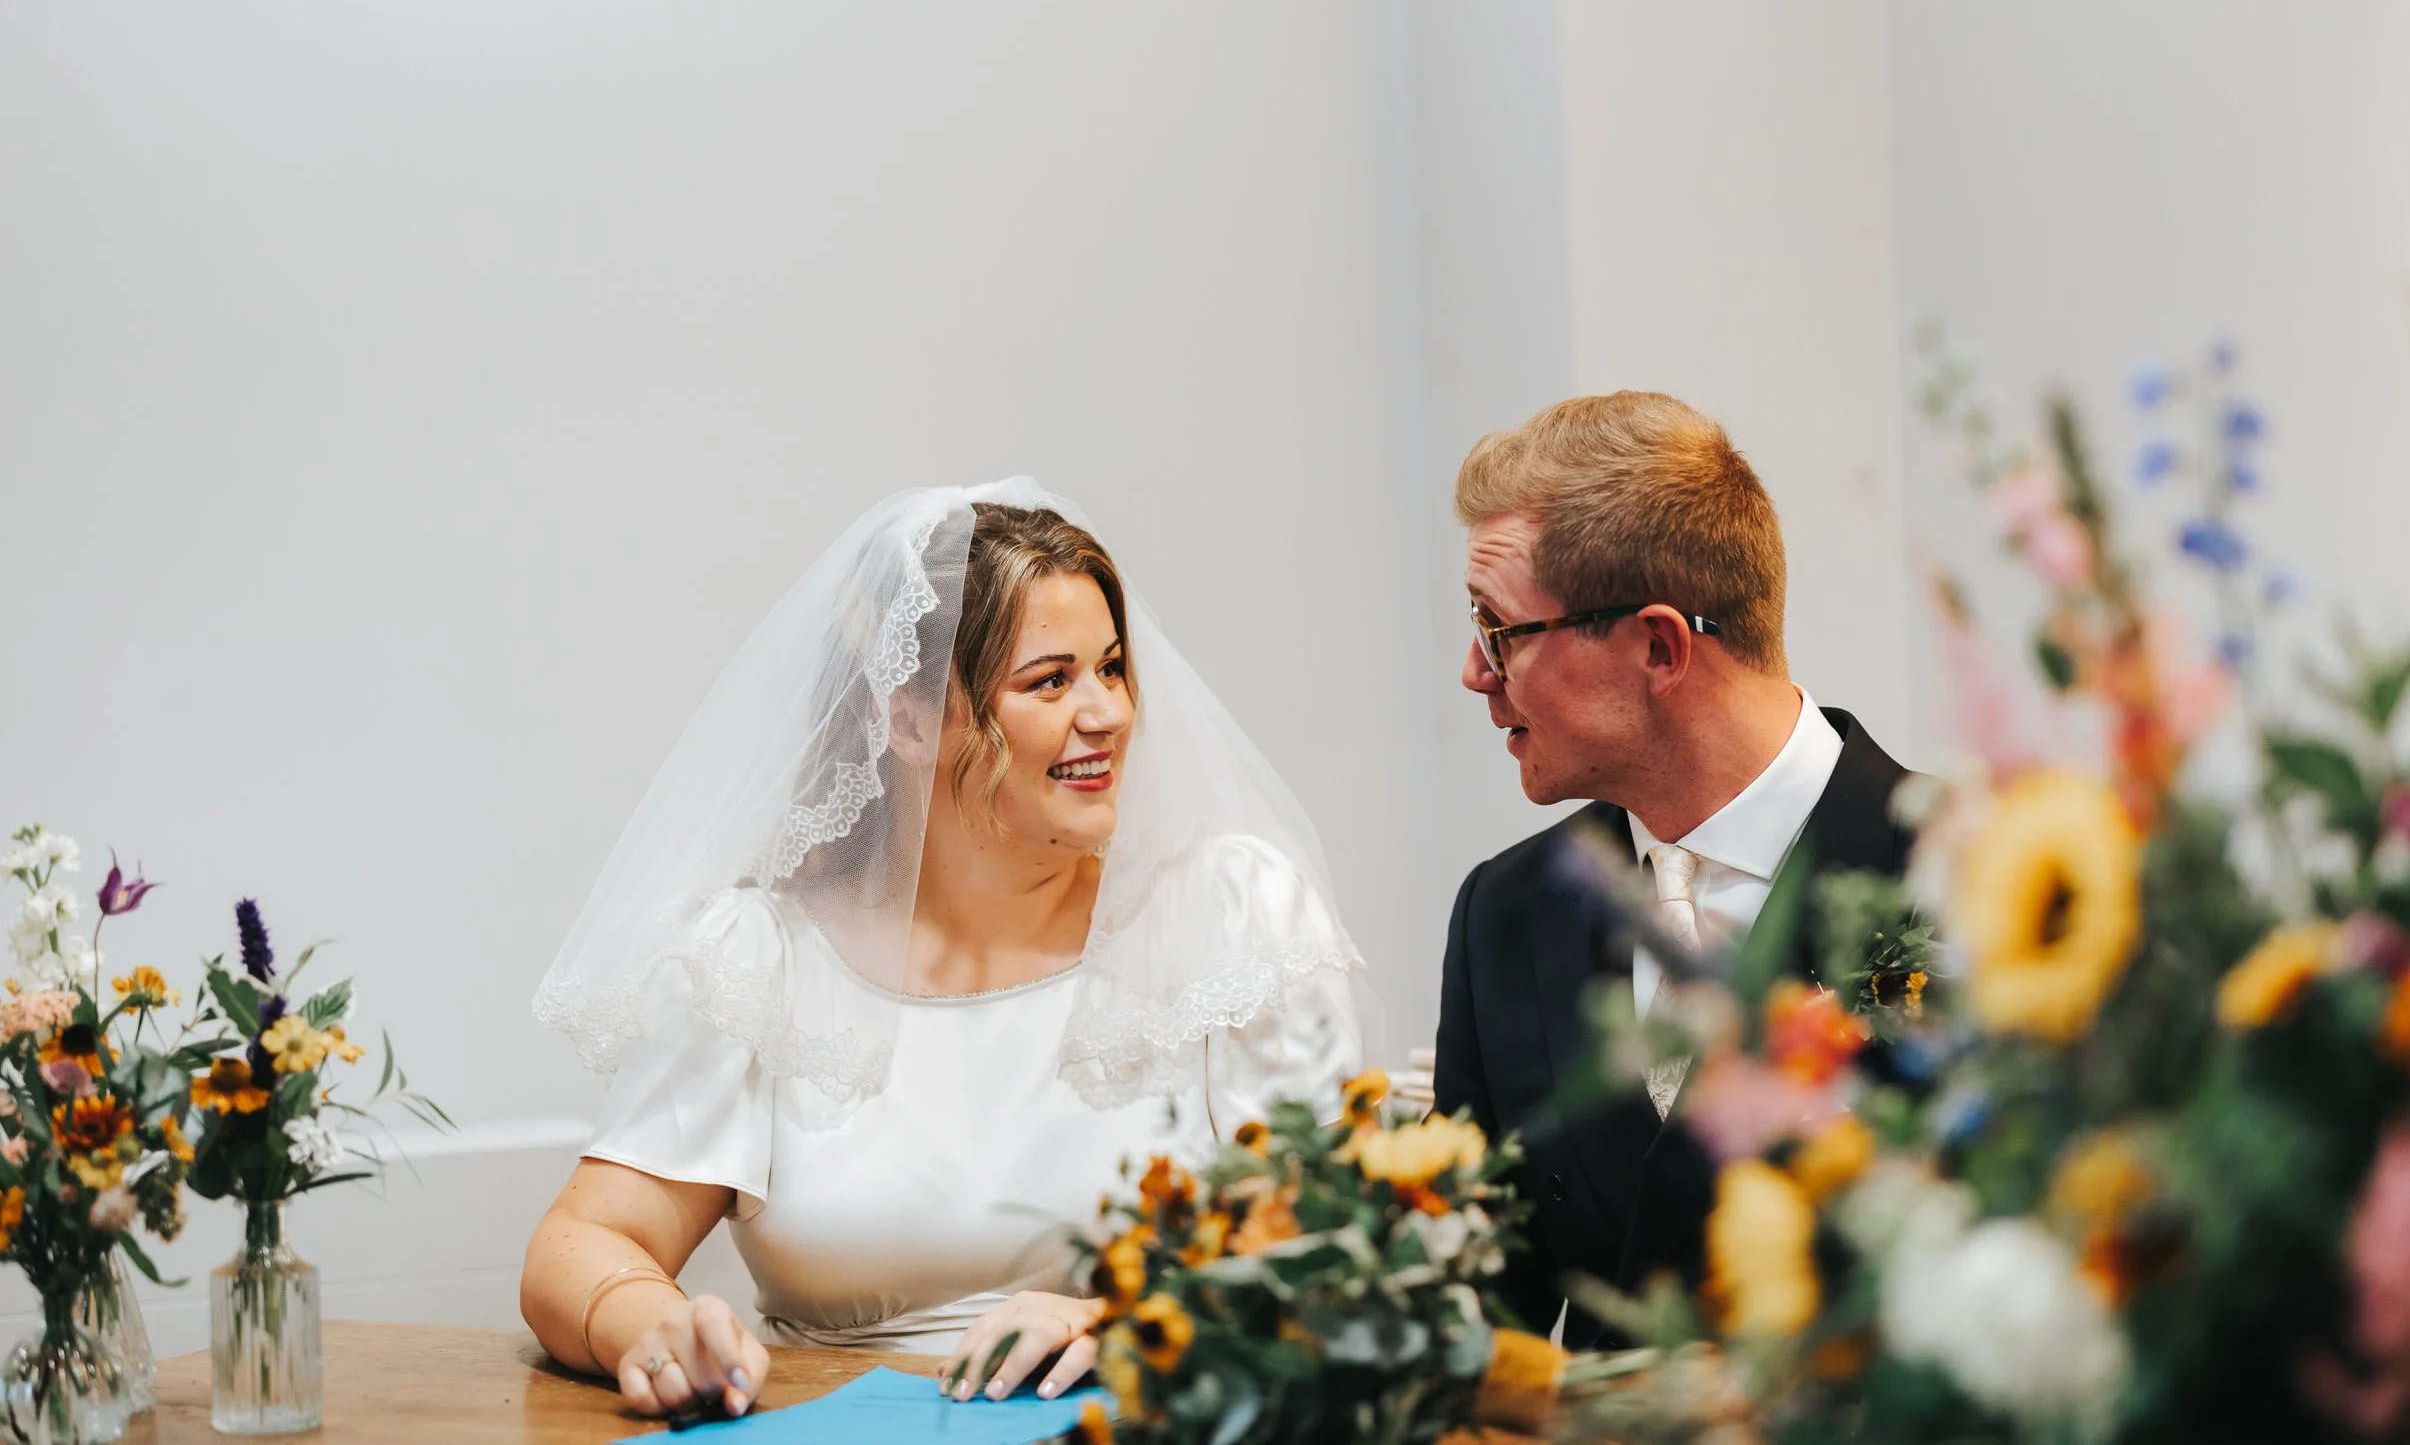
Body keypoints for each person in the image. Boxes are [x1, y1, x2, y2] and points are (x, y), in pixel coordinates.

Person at [522, 483, 1366, 1419]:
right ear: (913, 719)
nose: (1109, 713)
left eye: (1113, 668)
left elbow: (1344, 1263)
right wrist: (650, 1324)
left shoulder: (1228, 916)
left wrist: (1126, 1323)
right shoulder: (760, 960)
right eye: (1051, 680)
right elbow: (581, 1242)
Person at [1430, 392, 1915, 1346]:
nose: (1476, 674)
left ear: (1658, 645)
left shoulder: (1965, 880)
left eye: (1499, 630)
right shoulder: (1505, 914)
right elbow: (1483, 1319)